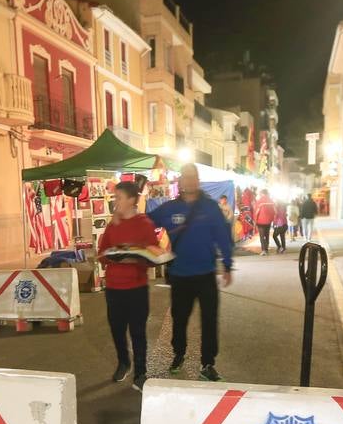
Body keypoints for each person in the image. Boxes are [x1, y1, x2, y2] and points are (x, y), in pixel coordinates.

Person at [149, 163, 235, 382]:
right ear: (180, 181)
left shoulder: (210, 207)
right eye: (186, 177)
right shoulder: (169, 208)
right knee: (179, 319)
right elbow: (147, 222)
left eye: (193, 177)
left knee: (209, 319)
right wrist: (149, 249)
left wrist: (227, 264)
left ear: (198, 180)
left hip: (206, 274)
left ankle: (208, 363)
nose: (190, 181)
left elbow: (222, 236)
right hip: (180, 275)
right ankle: (179, 354)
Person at [97, 181, 157, 391]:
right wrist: (111, 257)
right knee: (117, 329)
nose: (116, 202)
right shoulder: (113, 224)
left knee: (138, 331)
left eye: (119, 198)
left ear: (132, 200)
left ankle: (141, 372)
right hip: (114, 287)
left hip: (137, 288)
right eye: (115, 198)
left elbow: (154, 254)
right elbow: (101, 253)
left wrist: (139, 258)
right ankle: (124, 361)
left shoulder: (145, 224)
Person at [253, 189, 276, 255]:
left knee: (262, 236)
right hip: (268, 222)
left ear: (262, 193)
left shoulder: (259, 201)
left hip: (260, 221)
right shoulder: (271, 201)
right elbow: (275, 211)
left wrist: (255, 221)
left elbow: (256, 212)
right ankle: (266, 248)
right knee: (267, 235)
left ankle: (264, 250)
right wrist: (272, 219)